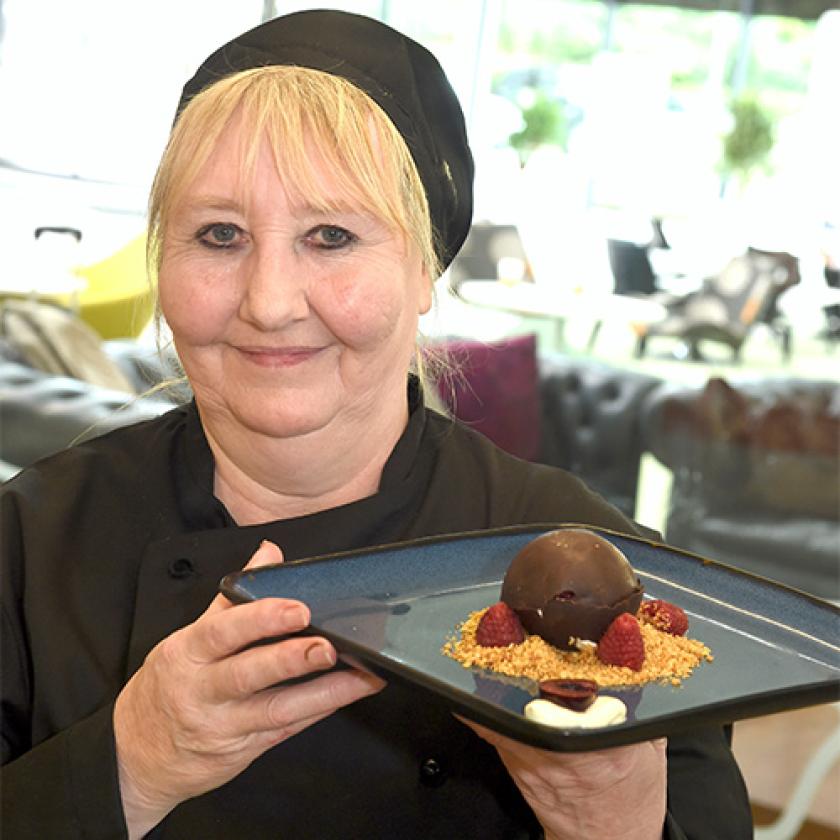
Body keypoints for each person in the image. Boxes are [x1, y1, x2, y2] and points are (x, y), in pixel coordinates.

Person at [1, 10, 752, 839]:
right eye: (219, 235)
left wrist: (614, 823)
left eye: (331, 236)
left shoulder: (605, 585)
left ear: (425, 267)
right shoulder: (29, 543)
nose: (270, 302)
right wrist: (132, 761)